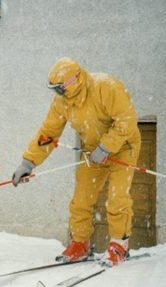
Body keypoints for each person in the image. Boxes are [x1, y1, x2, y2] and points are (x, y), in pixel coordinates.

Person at [12, 57, 141, 265]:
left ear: (75, 80)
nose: (58, 94)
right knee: (81, 199)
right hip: (93, 151)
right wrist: (28, 163)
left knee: (117, 199)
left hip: (124, 147)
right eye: (54, 90)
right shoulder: (62, 103)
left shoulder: (106, 87)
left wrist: (107, 146)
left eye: (59, 89)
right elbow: (48, 133)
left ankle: (119, 245)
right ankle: (80, 244)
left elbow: (127, 121)